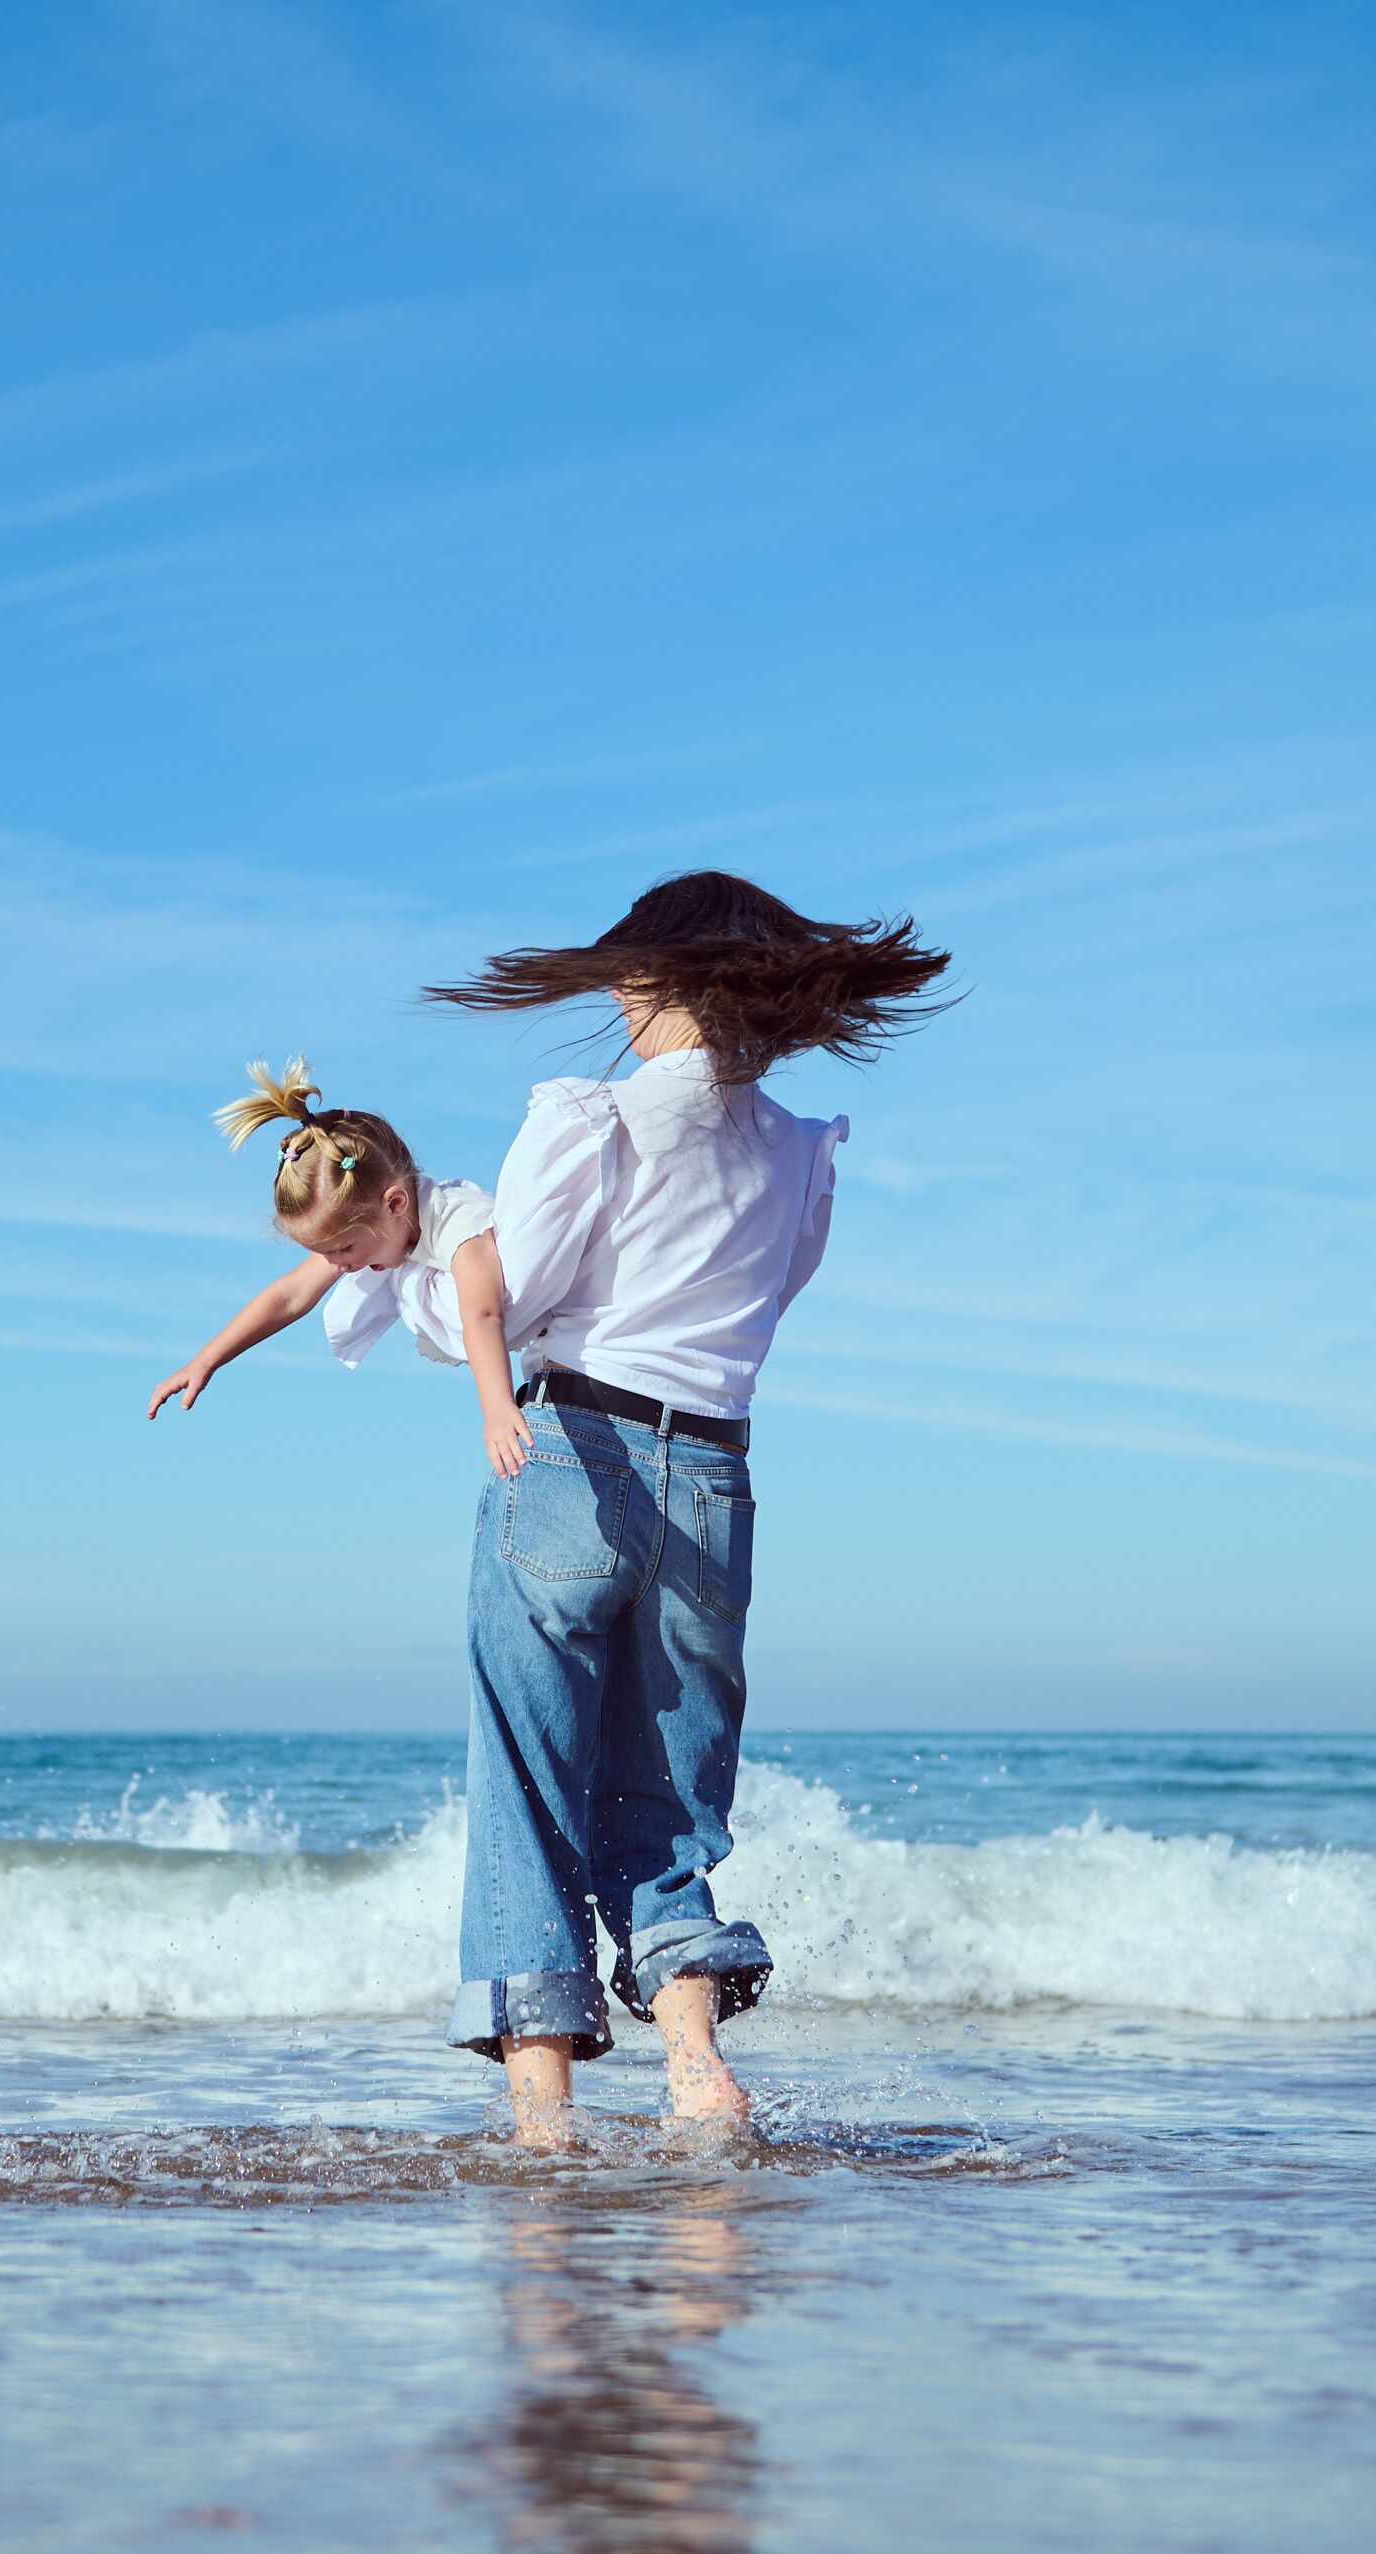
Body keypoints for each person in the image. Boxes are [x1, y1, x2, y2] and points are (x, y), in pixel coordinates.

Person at [424, 872, 951, 2145]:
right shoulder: (798, 1150)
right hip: (715, 1478)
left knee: (530, 1780)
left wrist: (424, 1287)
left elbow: (495, 1308)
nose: (611, 992)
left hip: (571, 1458)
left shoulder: (590, 1116)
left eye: (628, 973)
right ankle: (696, 2069)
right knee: (663, 1794)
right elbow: (759, 1311)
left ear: (667, 981)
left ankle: (543, 2112)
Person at [148, 1060, 537, 1478]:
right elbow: (290, 1296)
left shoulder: (458, 1224)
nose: (337, 1265)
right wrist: (206, 1361)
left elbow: (482, 1313)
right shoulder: (375, 1226)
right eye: (327, 1253)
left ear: (395, 1203)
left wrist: (497, 1406)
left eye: (343, 1249)